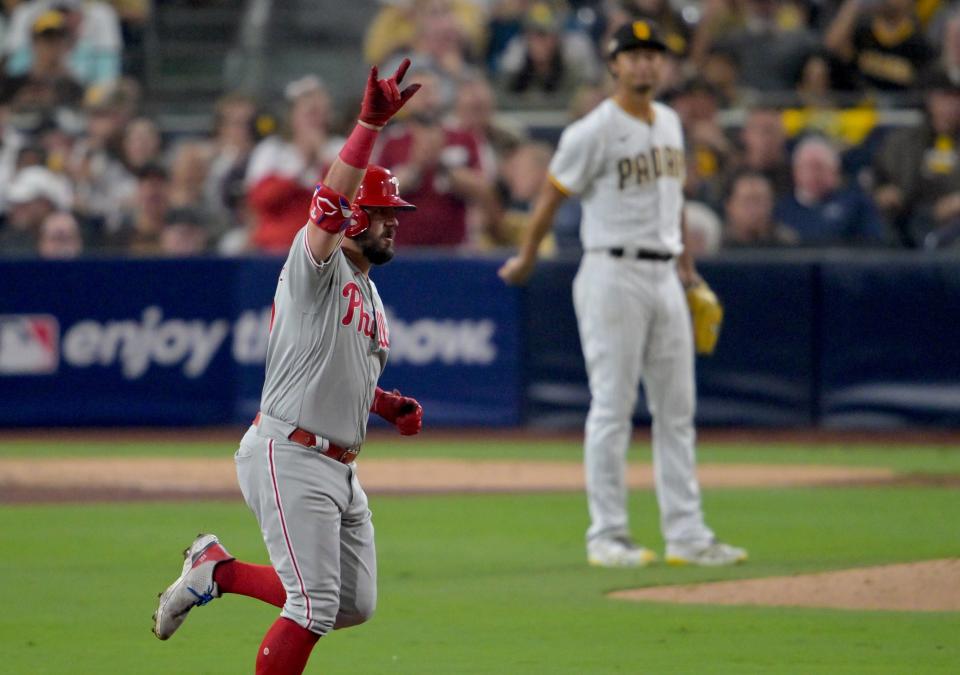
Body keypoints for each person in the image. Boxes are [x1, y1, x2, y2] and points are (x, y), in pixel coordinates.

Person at [152, 61, 424, 675]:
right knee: (312, 605)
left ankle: (216, 571)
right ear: (352, 219)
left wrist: (385, 405)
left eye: (394, 214)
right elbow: (327, 204)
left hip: (339, 462)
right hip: (290, 451)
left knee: (353, 603)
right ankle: (216, 574)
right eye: (381, 213)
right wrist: (367, 125)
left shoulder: (370, 292)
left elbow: (343, 370)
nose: (392, 223)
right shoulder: (314, 268)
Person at [498, 20, 747, 569]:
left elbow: (672, 197)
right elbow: (550, 196)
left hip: (663, 274)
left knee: (677, 410)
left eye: (653, 55)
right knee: (612, 405)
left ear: (664, 65)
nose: (644, 63)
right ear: (613, 65)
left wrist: (688, 269)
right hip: (611, 271)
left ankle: (687, 534)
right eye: (633, 55)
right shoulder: (594, 130)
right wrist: (529, 256)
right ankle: (606, 535)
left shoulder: (671, 123)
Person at [775, 135, 884, 246]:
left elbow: (874, 245)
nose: (813, 174)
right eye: (806, 167)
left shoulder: (857, 204)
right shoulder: (781, 209)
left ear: (835, 170)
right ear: (795, 172)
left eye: (819, 167)